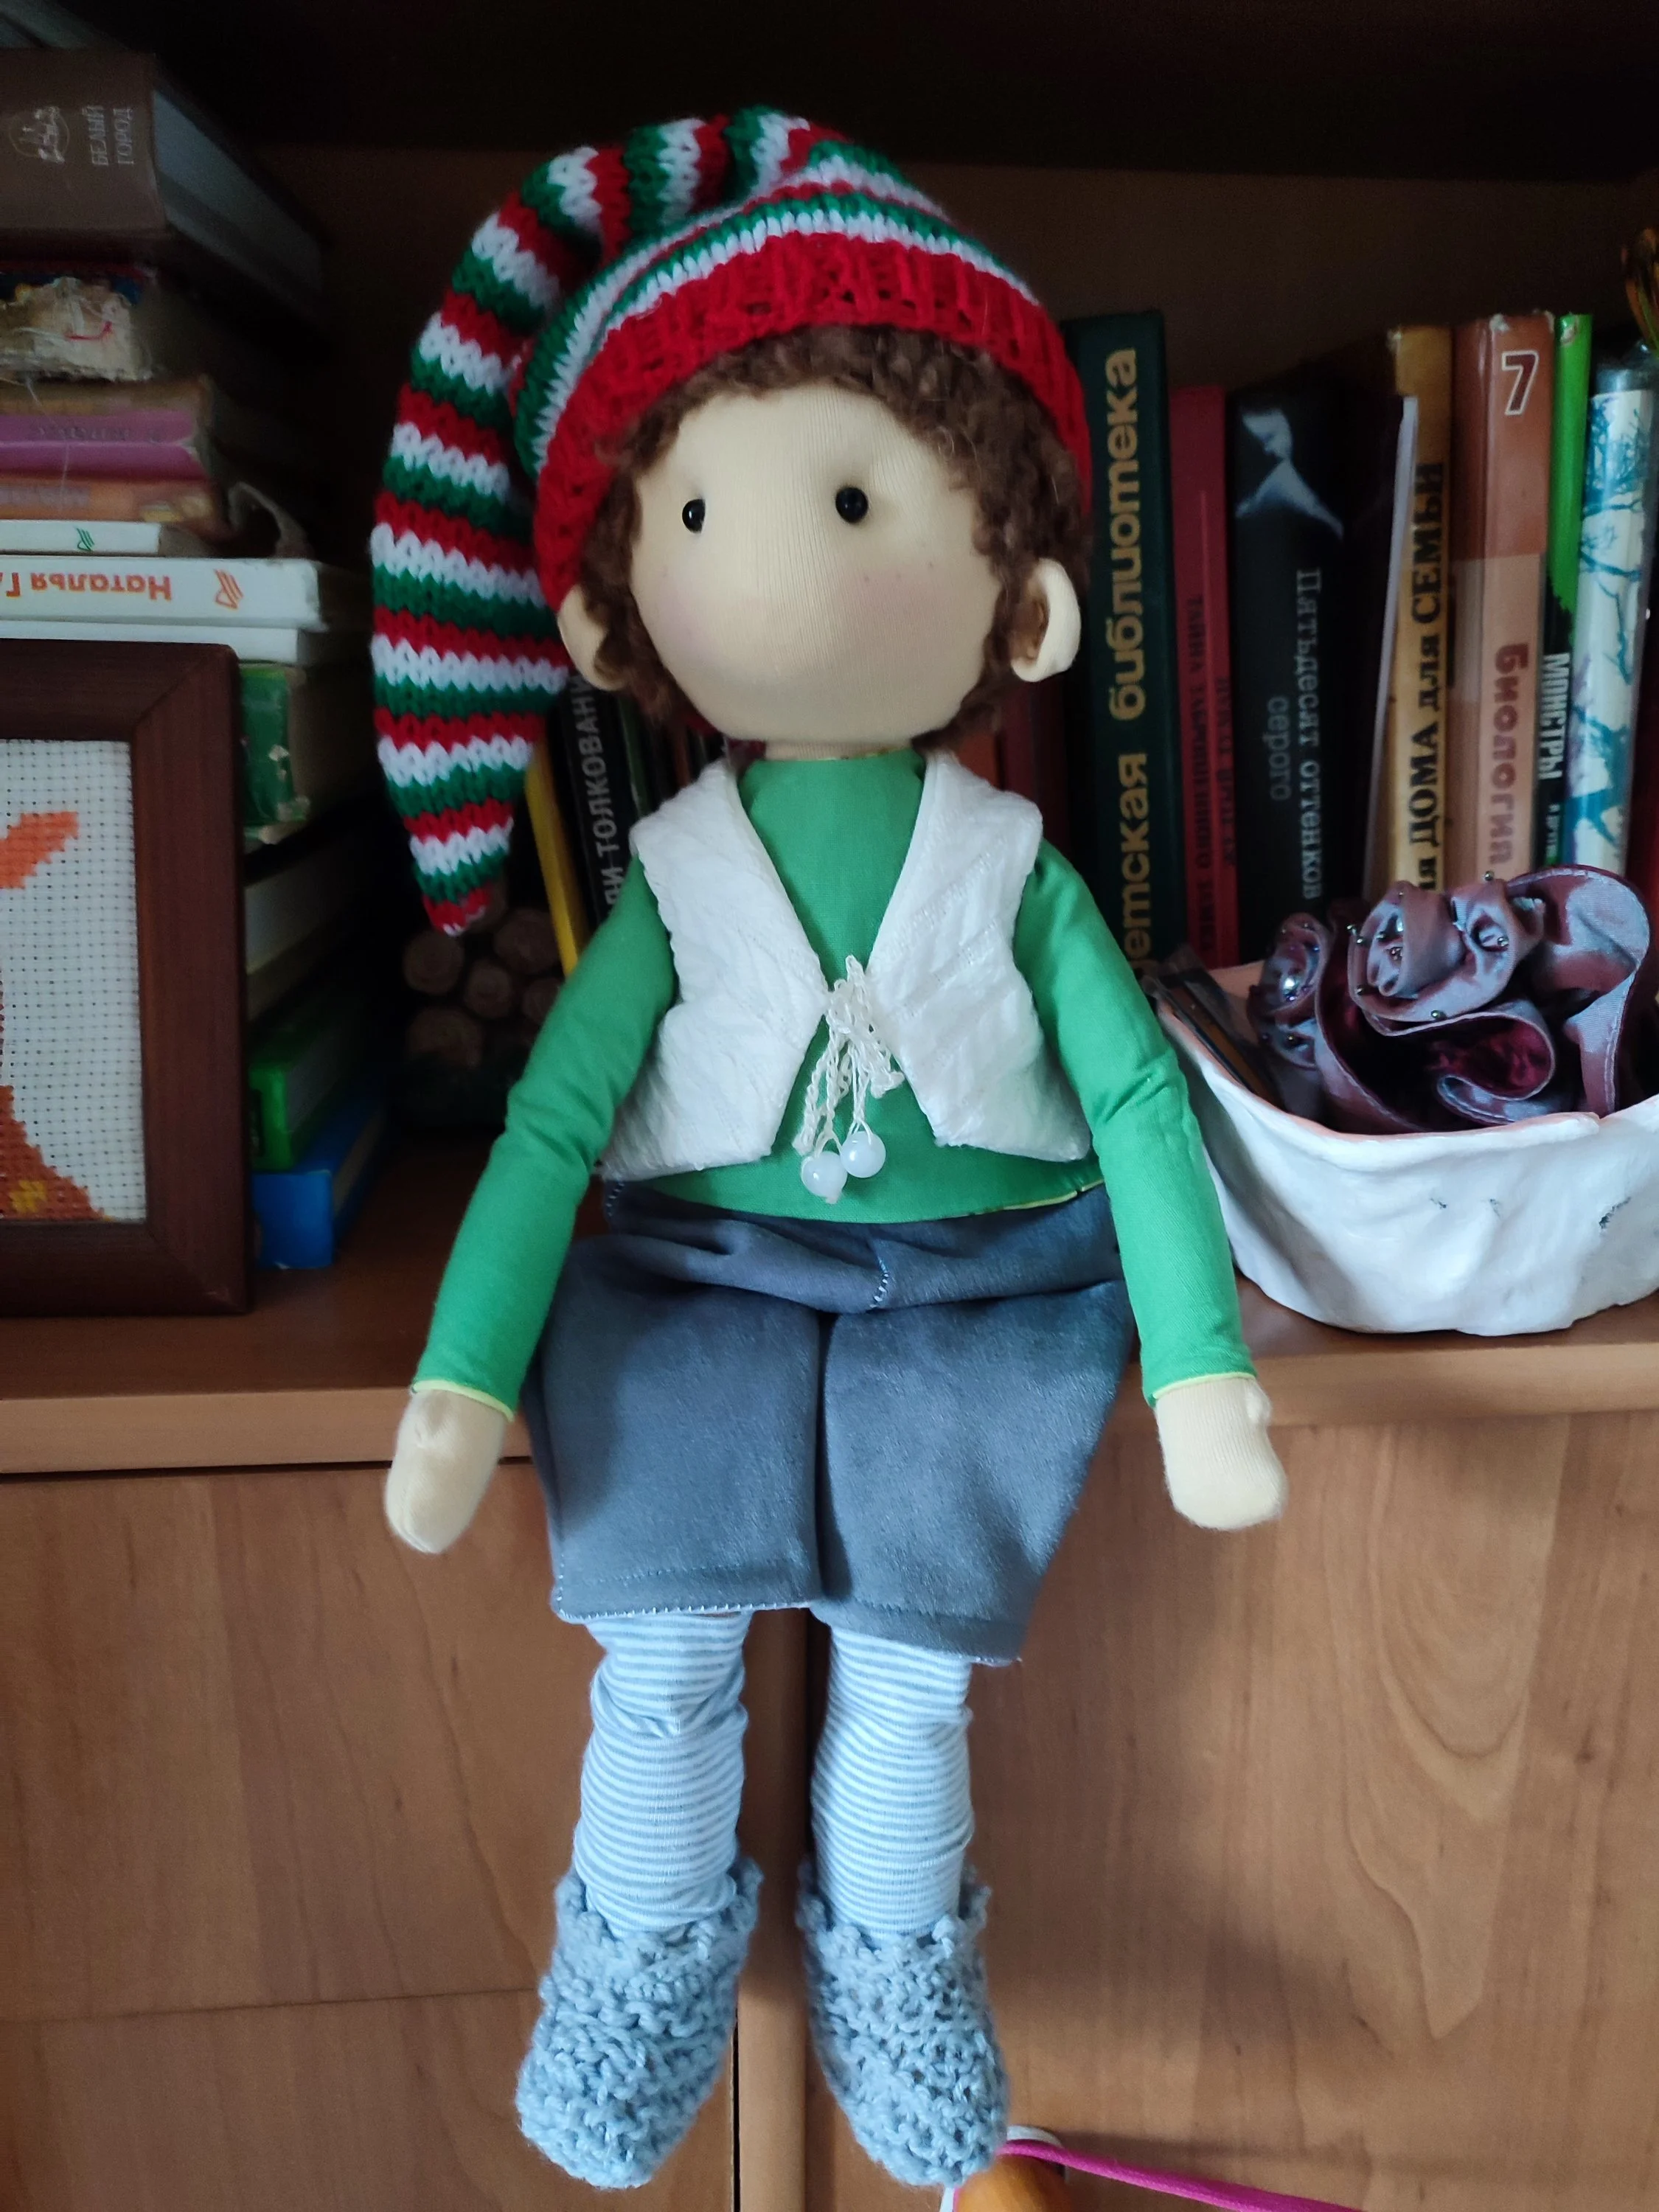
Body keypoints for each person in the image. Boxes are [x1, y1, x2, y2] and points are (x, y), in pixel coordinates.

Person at [372, 109, 1287, 2194]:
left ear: (1020, 600)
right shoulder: (677, 875)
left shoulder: (1014, 863)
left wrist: (1199, 1365)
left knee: (914, 1668)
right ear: (619, 616)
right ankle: (634, 1972)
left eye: (862, 498)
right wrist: (462, 1376)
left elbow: (1137, 1102)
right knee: (662, 1656)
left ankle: (896, 1968)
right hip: (688, 1289)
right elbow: (553, 1122)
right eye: (698, 511)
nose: (781, 564)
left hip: (981, 1300)